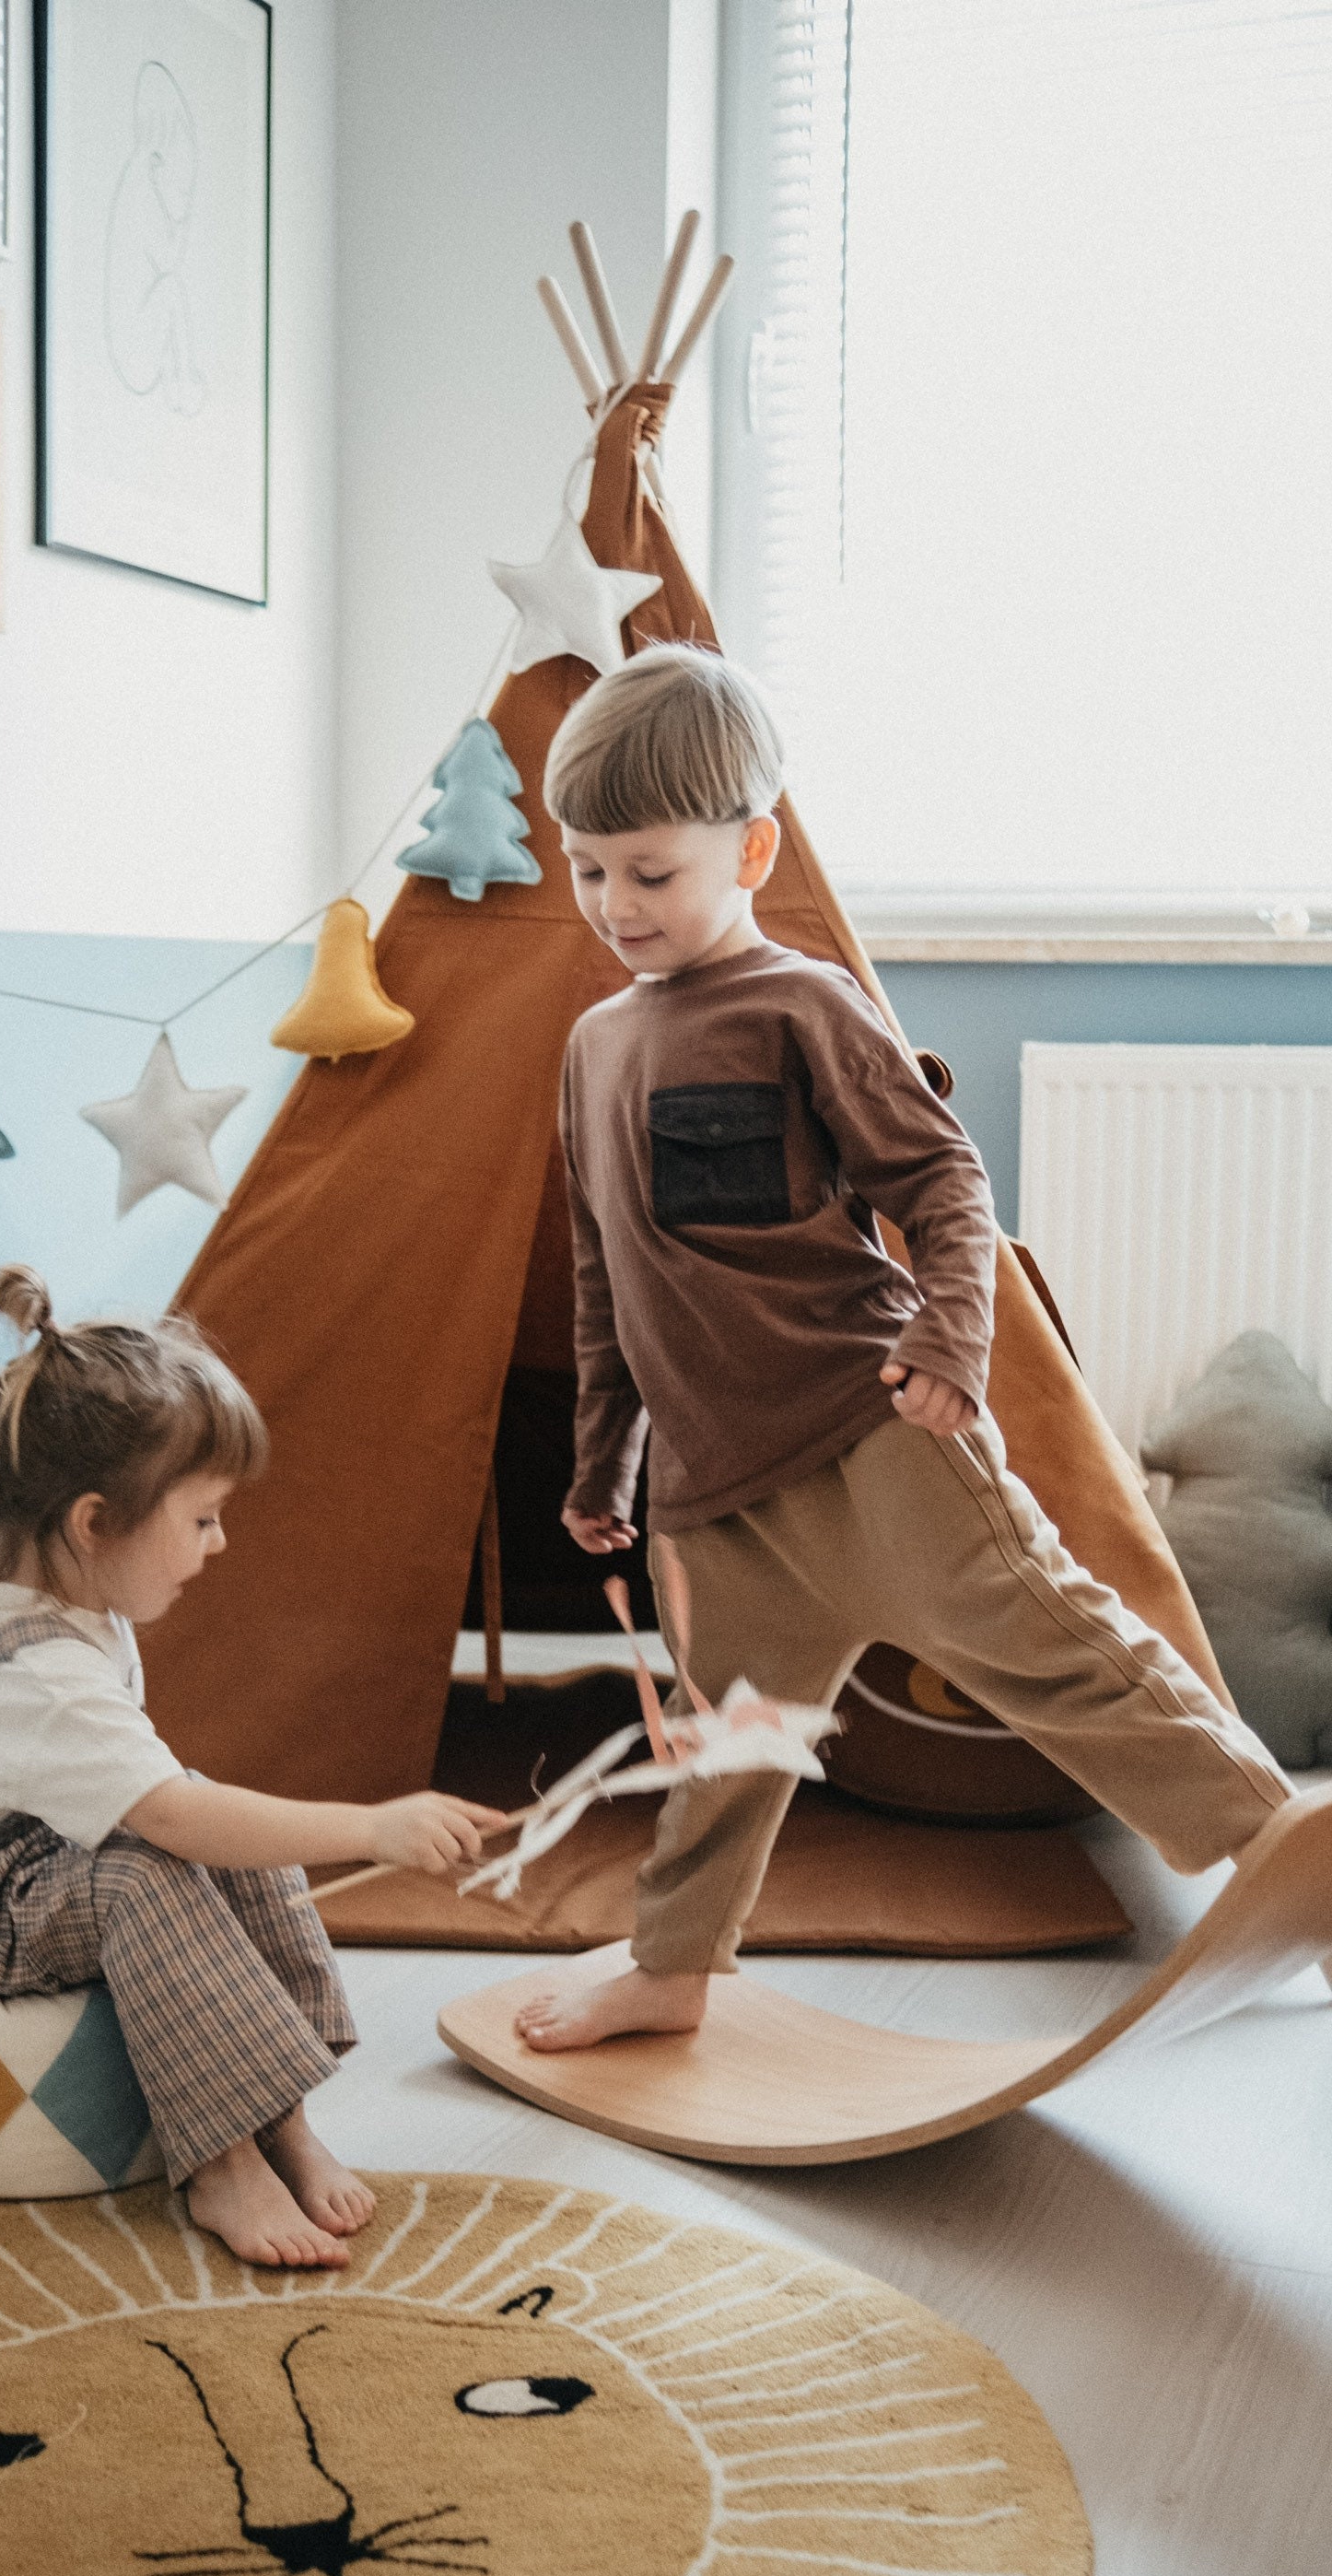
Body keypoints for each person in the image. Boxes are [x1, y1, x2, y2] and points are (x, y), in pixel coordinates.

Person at [512, 641, 1299, 2053]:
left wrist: (950, 1339)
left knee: (1064, 1654)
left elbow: (943, 1184)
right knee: (730, 1744)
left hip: (877, 1433)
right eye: (589, 870)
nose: (616, 905)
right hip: (720, 1489)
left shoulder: (802, 1005)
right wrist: (604, 1460)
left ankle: (1275, 1854)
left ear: (750, 850)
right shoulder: (592, 1048)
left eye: (652, 871)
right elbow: (604, 1272)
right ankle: (675, 1966)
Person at [0, 1269, 500, 2266]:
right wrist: (371, 1828)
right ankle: (221, 2163)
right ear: (94, 1524)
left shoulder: (80, 1605)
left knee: (210, 1818)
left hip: (38, 1857)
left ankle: (277, 2114)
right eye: (201, 1516)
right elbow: (163, 1823)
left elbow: (174, 1807)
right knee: (157, 1862)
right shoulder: (36, 1674)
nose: (220, 1541)